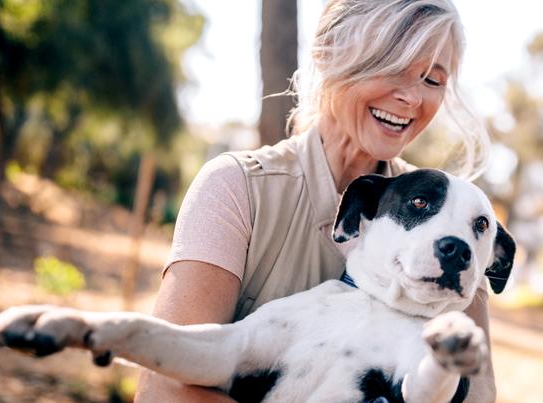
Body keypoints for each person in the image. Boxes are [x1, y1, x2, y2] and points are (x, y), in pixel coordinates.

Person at [134, 0, 496, 402]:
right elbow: (162, 392)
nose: (411, 97)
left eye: (432, 80)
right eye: (390, 66)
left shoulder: (458, 226)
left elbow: (478, 396)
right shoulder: (238, 188)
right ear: (326, 54)